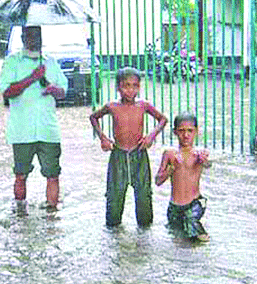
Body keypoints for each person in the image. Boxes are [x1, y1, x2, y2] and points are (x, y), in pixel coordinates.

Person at [0, 25, 68, 209]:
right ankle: (20, 214)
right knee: (21, 175)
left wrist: (54, 89)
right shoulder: (12, 62)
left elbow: (63, 92)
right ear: (23, 38)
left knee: (53, 175)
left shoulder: (51, 62)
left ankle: (52, 216)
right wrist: (32, 78)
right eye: (30, 35)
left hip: (48, 130)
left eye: (38, 35)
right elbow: (7, 92)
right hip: (22, 131)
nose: (35, 39)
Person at [89, 67, 168, 227]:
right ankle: (114, 234)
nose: (130, 90)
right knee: (114, 197)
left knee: (144, 196)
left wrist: (151, 136)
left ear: (139, 87)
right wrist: (103, 138)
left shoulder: (143, 105)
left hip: (139, 154)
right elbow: (93, 117)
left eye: (135, 86)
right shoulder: (112, 106)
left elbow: (163, 119)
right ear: (118, 87)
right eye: (126, 85)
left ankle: (145, 236)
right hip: (118, 154)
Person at [155, 112, 211, 242]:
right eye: (181, 131)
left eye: (190, 131)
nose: (186, 135)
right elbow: (158, 181)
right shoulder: (169, 154)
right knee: (176, 237)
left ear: (196, 132)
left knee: (194, 229)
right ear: (175, 132)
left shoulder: (199, 154)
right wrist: (170, 170)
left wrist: (205, 161)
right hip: (174, 207)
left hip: (195, 203)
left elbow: (208, 165)